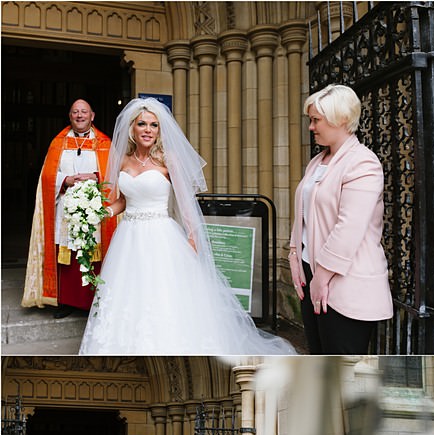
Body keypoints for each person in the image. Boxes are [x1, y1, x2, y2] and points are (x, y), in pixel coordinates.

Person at [78, 97, 295, 355]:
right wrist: (99, 212)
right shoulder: (123, 160)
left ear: (160, 130)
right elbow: (123, 200)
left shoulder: (167, 159)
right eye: (142, 124)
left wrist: (193, 238)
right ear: (132, 129)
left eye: (154, 125)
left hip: (161, 237)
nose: (148, 130)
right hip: (128, 239)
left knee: (164, 296)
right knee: (128, 297)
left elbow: (185, 202)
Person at [289, 84, 393, 354]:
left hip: (345, 279)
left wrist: (321, 276)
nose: (311, 127)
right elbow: (304, 210)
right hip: (312, 270)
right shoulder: (318, 161)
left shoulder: (363, 163)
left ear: (341, 119)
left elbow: (350, 226)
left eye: (316, 120)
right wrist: (294, 255)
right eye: (310, 120)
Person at [23, 99, 115, 318]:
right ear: (70, 116)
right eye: (75, 112)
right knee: (67, 255)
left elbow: (115, 175)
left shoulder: (104, 143)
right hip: (66, 208)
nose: (80, 115)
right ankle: (66, 302)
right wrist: (65, 180)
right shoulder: (59, 143)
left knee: (92, 253)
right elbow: (46, 176)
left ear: (92, 116)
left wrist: (96, 177)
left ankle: (91, 301)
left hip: (94, 209)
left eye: (84, 112)